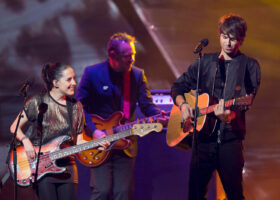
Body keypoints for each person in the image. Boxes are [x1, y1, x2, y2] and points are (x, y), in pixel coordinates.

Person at [171, 14, 261, 200]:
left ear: (241, 39)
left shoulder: (249, 66)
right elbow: (178, 86)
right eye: (225, 37)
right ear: (219, 35)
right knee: (195, 195)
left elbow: (246, 102)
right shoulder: (205, 62)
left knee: (234, 194)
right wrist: (184, 105)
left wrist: (227, 117)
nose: (228, 42)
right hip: (202, 141)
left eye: (234, 38)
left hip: (230, 140)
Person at [76, 32, 164, 200]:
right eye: (127, 56)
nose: (132, 59)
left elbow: (147, 105)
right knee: (101, 191)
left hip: (126, 142)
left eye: (133, 55)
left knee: (123, 193)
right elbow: (79, 108)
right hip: (98, 142)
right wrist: (94, 131)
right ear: (112, 55)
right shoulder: (92, 73)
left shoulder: (136, 75)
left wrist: (160, 115)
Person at [10, 62, 85, 200]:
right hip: (42, 168)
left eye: (74, 78)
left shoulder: (76, 107)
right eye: (69, 79)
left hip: (67, 168)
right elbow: (14, 127)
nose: (74, 83)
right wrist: (26, 142)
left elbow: (80, 140)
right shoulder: (37, 102)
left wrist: (100, 143)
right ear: (55, 82)